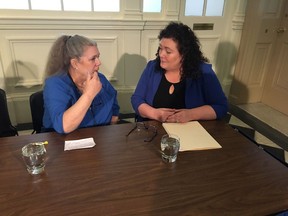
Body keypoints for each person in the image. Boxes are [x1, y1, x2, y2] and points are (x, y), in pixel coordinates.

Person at [131, 22, 228, 123]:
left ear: (184, 54)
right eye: (160, 48)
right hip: (152, 130)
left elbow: (221, 107)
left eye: (168, 51)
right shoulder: (152, 67)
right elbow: (136, 99)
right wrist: (156, 114)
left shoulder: (204, 72)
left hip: (190, 132)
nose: (161, 54)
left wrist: (190, 114)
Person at [43, 35, 120, 134]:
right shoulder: (55, 84)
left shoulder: (100, 79)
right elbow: (63, 126)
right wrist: (89, 94)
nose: (99, 62)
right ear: (75, 63)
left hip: (100, 139)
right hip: (61, 142)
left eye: (98, 57)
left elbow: (114, 108)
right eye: (93, 58)